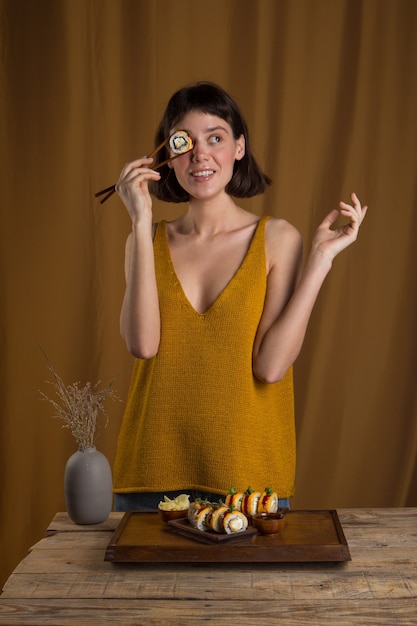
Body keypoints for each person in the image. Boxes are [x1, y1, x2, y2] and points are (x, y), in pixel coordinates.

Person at [112, 81, 367, 512]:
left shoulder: (278, 238)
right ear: (165, 157)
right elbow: (143, 345)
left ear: (239, 147)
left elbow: (269, 368)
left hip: (248, 482)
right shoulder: (146, 241)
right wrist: (139, 222)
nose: (200, 155)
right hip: (150, 476)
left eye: (215, 137)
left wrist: (322, 259)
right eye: (184, 142)